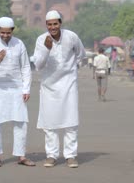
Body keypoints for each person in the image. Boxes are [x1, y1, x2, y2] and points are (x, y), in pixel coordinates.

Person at [32, 10, 86, 168]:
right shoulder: (41, 40)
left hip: (69, 84)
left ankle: (70, 155)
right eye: (49, 24)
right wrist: (46, 49)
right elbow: (38, 65)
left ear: (60, 23)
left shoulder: (71, 37)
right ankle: (51, 155)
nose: (53, 27)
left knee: (71, 122)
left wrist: (71, 69)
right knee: (50, 123)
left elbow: (81, 54)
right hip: (49, 86)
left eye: (55, 23)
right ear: (46, 25)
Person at [0, 17, 35, 168]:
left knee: (21, 122)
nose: (5, 35)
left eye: (8, 32)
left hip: (17, 87)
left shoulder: (19, 44)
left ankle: (21, 155)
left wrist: (26, 88)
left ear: (12, 30)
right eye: (2, 32)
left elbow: (25, 67)